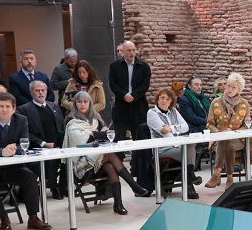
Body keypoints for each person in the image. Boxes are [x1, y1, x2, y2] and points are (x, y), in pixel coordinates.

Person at [0, 94, 52, 230]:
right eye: (1, 106)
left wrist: (15, 150)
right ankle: (3, 217)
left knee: (30, 177)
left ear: (14, 109)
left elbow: (24, 145)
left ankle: (33, 217)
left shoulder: (21, 121)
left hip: (11, 167)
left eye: (8, 106)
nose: (4, 110)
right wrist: (2, 152)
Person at [65, 91, 137, 215]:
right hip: (80, 162)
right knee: (109, 155)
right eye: (79, 102)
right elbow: (81, 140)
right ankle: (133, 185)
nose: (82, 104)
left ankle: (118, 204)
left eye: (85, 101)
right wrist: (95, 134)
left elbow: (107, 136)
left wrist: (94, 134)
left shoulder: (95, 119)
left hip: (97, 159)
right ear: (75, 104)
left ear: (90, 104)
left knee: (109, 165)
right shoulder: (71, 120)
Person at [107, 40, 154, 188]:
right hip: (121, 106)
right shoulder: (114, 66)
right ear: (123, 51)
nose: (131, 53)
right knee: (119, 138)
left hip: (138, 105)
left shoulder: (144, 67)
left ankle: (138, 170)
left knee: (139, 138)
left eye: (133, 50)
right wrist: (124, 95)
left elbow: (145, 85)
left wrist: (133, 95)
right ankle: (119, 170)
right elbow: (113, 84)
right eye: (129, 50)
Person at [146, 86, 199, 198]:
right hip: (162, 148)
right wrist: (177, 143)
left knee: (190, 146)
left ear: (171, 101)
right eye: (162, 98)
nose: (164, 101)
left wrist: (171, 128)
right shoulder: (152, 113)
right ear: (158, 99)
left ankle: (189, 178)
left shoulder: (174, 111)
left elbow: (185, 127)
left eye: (168, 99)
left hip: (176, 146)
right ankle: (190, 182)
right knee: (187, 152)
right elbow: (164, 131)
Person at [205, 73, 252, 189]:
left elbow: (247, 125)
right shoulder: (215, 102)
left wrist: (232, 131)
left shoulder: (244, 104)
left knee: (227, 140)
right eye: (228, 86)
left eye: (233, 87)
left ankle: (216, 174)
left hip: (238, 139)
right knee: (226, 142)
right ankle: (230, 177)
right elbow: (209, 124)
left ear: (240, 89)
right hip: (218, 139)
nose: (229, 89)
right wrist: (220, 133)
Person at [18, 79, 64, 157]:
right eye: (37, 90)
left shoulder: (54, 106)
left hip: (58, 149)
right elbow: (24, 132)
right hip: (37, 150)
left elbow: (62, 125)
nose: (40, 93)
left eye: (43, 90)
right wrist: (43, 143)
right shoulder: (23, 110)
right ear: (31, 92)